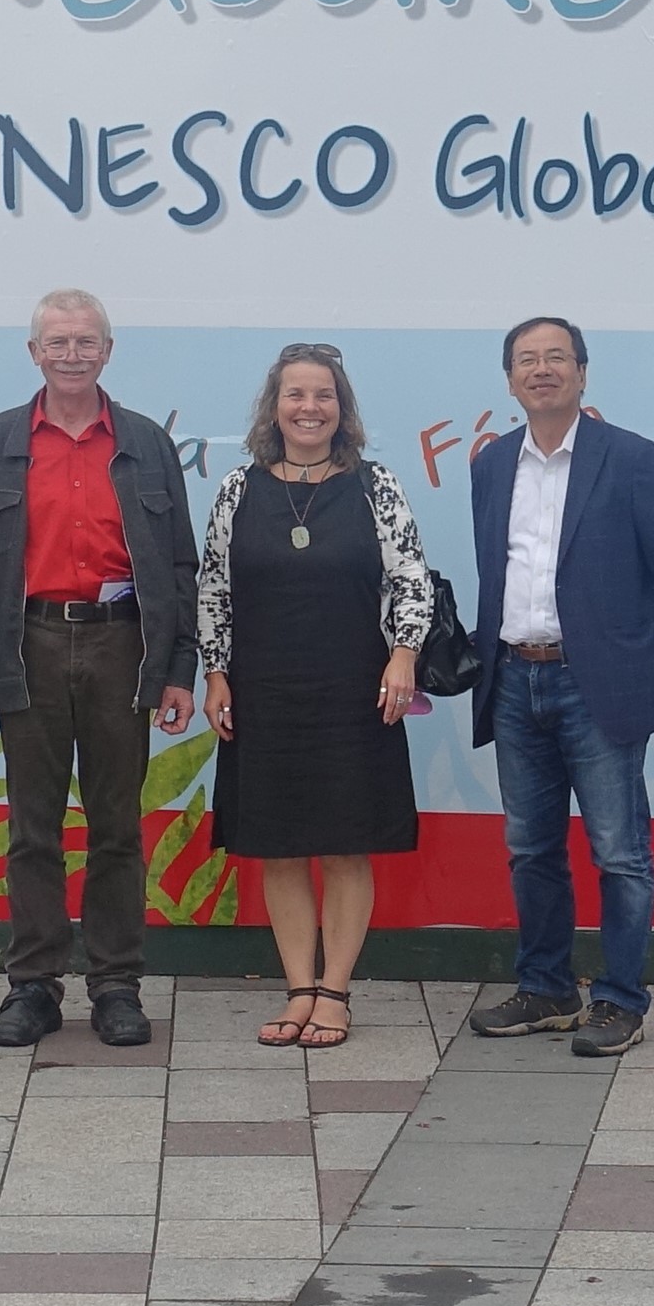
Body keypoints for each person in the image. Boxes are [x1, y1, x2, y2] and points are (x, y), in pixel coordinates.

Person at [0, 289, 201, 1051]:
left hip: (124, 645)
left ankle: (117, 985)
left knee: (118, 825)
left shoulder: (148, 444)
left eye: (86, 341)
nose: (72, 354)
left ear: (108, 351)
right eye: (57, 342)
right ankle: (34, 985)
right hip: (28, 646)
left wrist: (177, 668)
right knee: (33, 826)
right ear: (34, 353)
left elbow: (178, 567)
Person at [463, 318, 654, 1058]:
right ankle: (547, 988)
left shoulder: (628, 458)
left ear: (582, 372)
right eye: (527, 360)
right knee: (530, 848)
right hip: (513, 678)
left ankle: (621, 1001)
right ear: (509, 380)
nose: (542, 370)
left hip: (596, 681)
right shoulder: (492, 464)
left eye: (556, 358)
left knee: (619, 851)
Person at [199, 343, 431, 1050]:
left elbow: (411, 580)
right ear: (275, 406)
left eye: (323, 395)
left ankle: (336, 992)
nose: (309, 407)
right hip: (263, 691)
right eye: (295, 395)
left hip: (355, 690)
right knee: (279, 845)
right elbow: (213, 588)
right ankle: (297, 987)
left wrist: (403, 656)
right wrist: (216, 674)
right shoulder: (240, 489)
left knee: (344, 846)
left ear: (342, 408)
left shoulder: (376, 486)